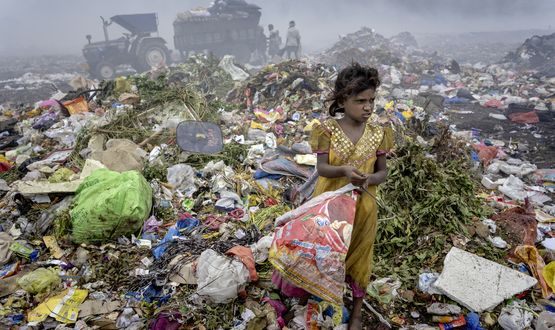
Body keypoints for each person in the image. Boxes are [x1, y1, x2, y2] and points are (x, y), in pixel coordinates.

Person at [273, 63, 393, 330]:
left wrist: (368, 179)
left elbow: (382, 173)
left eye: (372, 100)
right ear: (342, 100)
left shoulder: (379, 133)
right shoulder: (326, 130)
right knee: (324, 253)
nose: (368, 107)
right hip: (329, 206)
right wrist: (343, 171)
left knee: (360, 256)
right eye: (360, 101)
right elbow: (322, 168)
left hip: (364, 208)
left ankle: (358, 313)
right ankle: (313, 297)